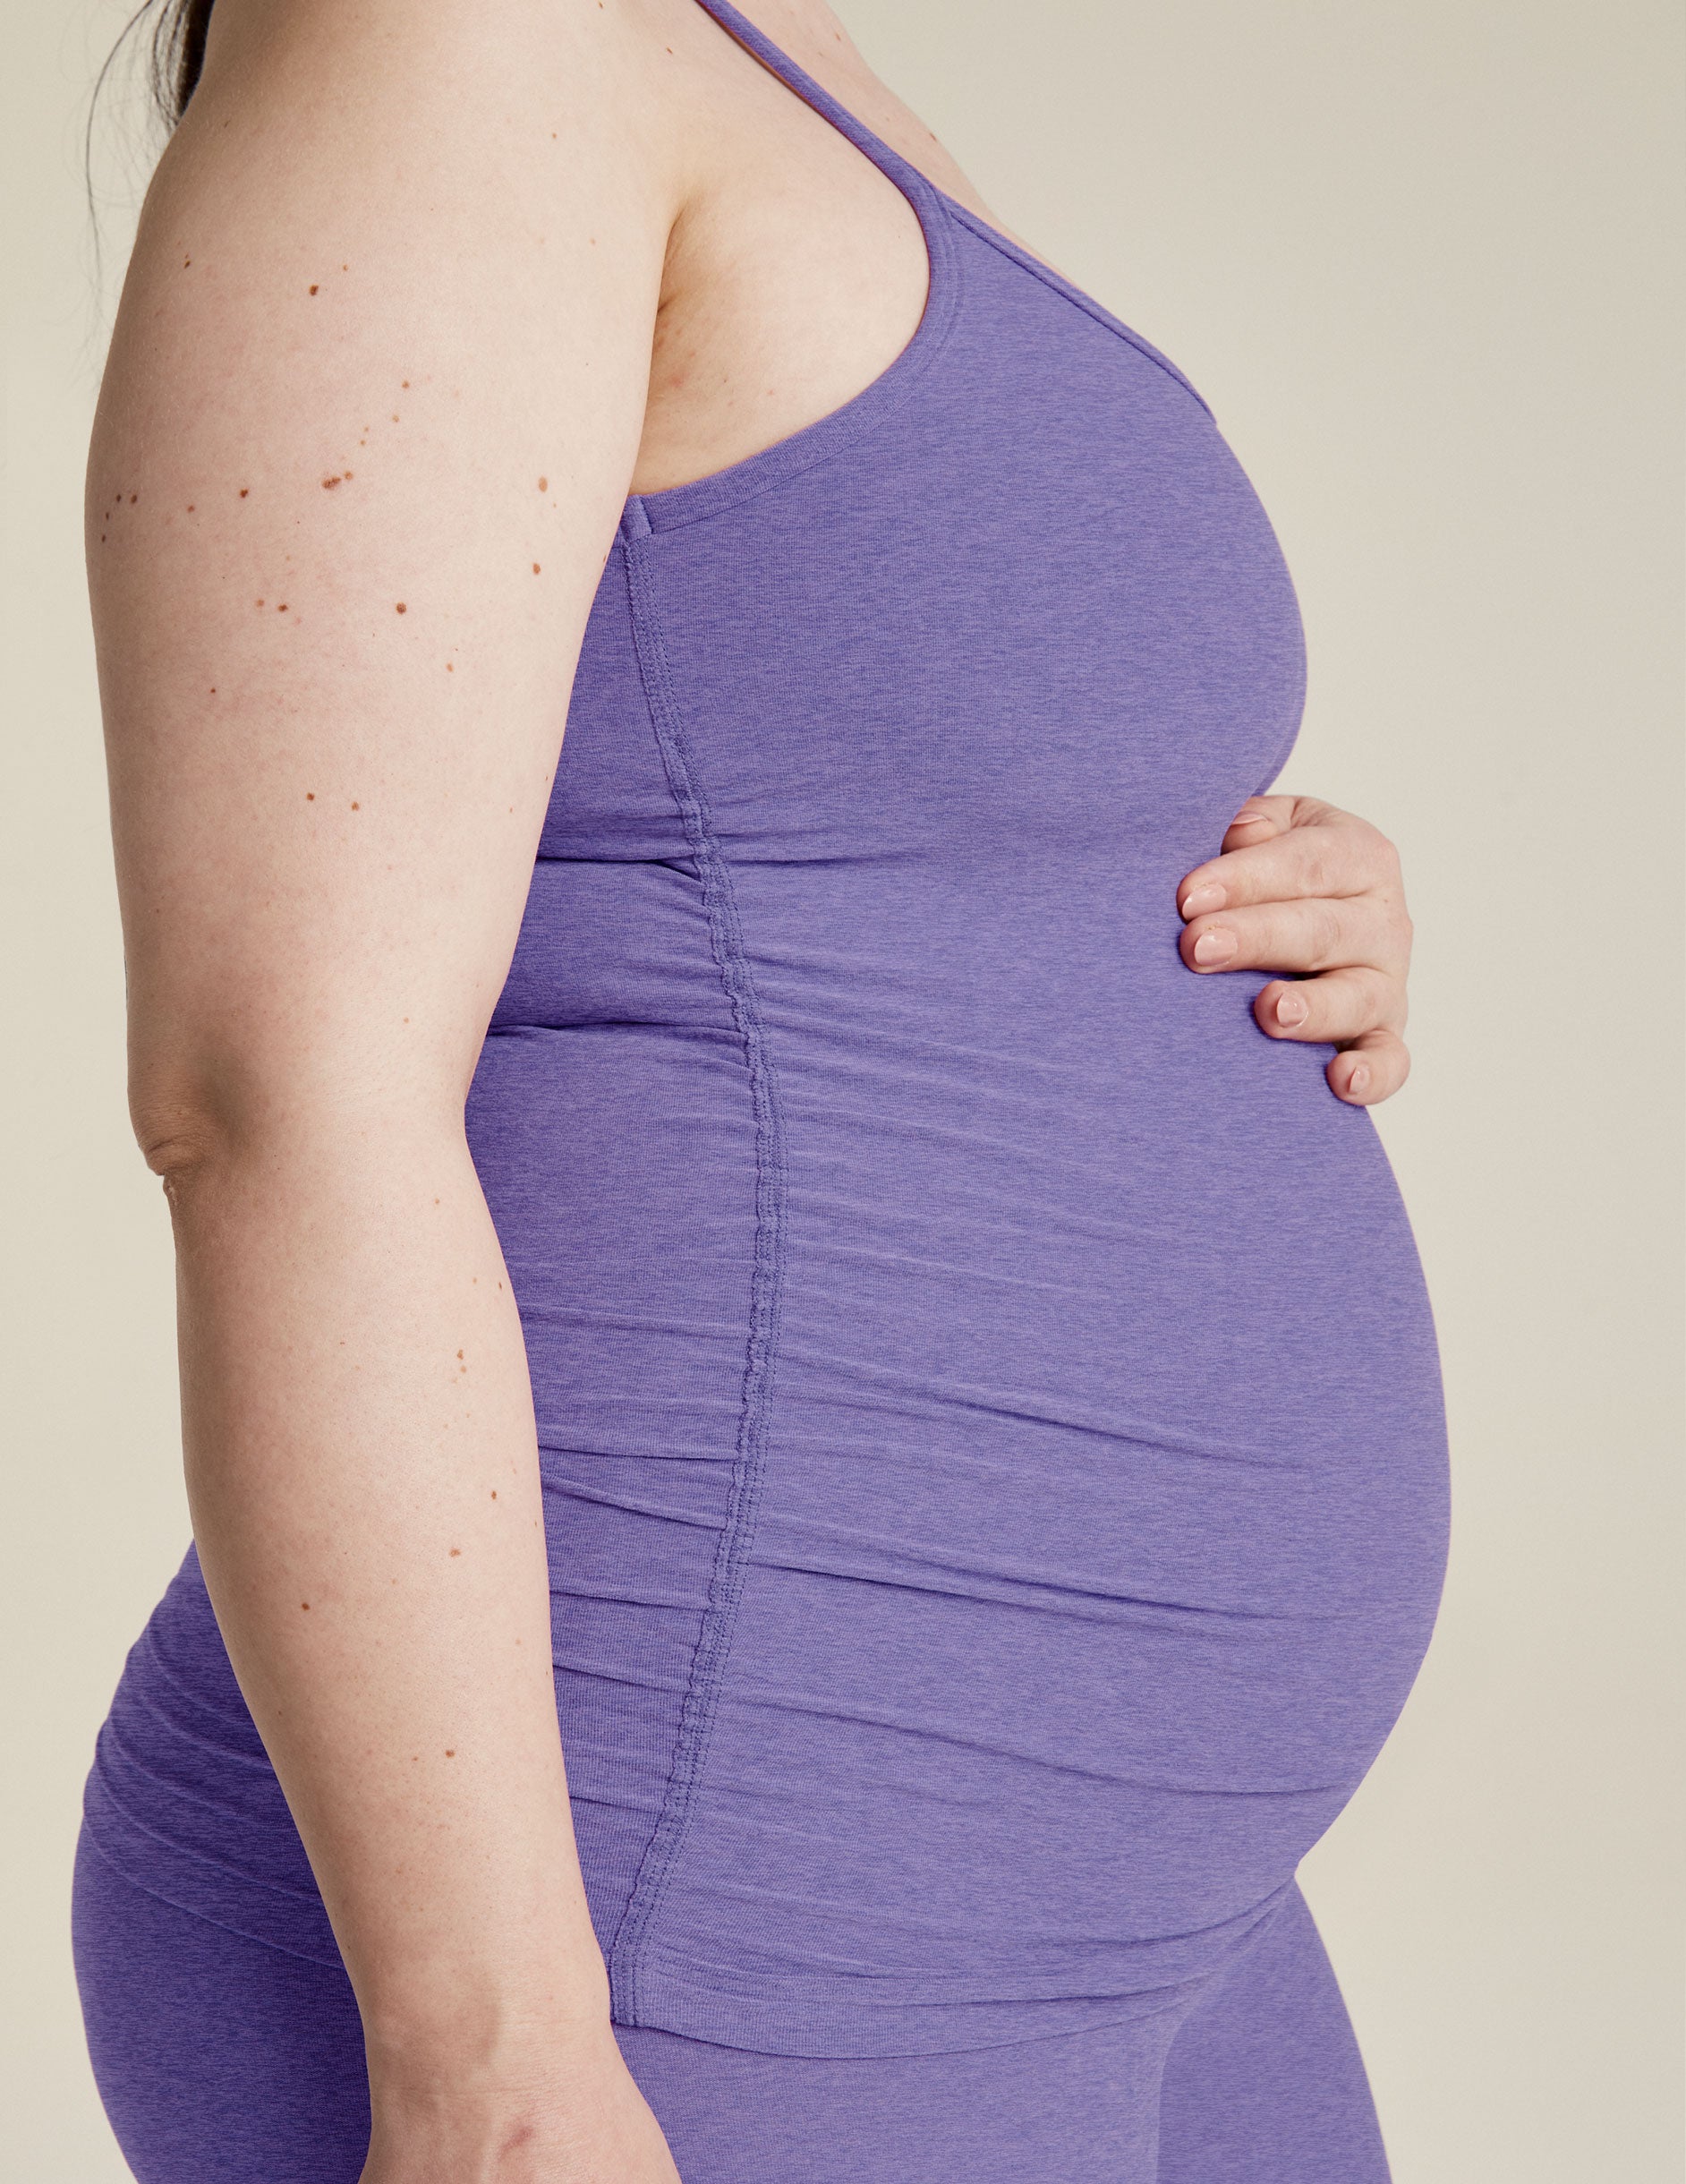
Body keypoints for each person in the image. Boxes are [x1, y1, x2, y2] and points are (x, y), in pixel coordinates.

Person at [71, 1, 1447, 2178]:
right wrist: (494, 2052)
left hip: (1101, 1895)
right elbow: (272, 1088)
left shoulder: (727, 37)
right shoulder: (455, 39)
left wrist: (1196, 888)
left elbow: (800, 761)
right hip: (706, 1882)